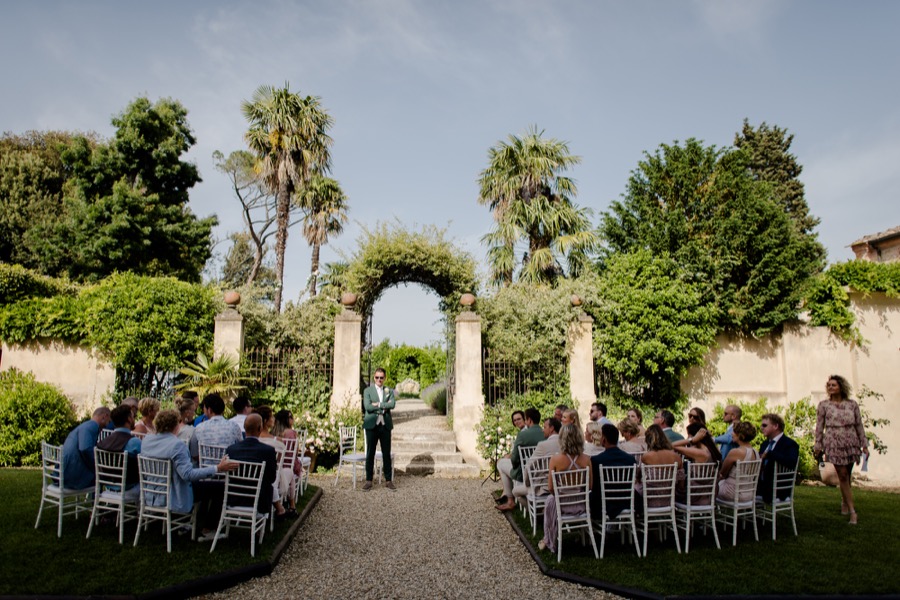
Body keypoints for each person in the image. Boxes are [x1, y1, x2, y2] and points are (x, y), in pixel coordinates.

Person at [141, 409, 236, 540]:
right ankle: (208, 528)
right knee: (220, 487)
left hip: (151, 493)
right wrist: (217, 468)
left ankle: (192, 522)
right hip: (173, 493)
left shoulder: (147, 440)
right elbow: (188, 475)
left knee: (206, 486)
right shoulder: (177, 445)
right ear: (176, 425)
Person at [814, 375, 869, 525]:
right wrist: (818, 445)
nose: (831, 387)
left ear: (841, 387)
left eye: (834, 385)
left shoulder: (852, 404)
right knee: (842, 475)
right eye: (829, 385)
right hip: (833, 441)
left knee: (848, 474)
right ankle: (852, 512)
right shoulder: (824, 405)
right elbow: (819, 427)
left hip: (851, 441)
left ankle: (845, 501)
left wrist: (864, 444)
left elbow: (859, 425)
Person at [539, 423, 592, 553]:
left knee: (550, 501)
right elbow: (590, 486)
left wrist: (561, 494)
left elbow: (551, 488)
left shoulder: (555, 460)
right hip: (581, 505)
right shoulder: (586, 460)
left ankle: (548, 538)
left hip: (561, 505)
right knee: (551, 500)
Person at [225, 413, 279, 518]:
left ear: (244, 428)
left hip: (234, 498)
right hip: (259, 501)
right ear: (260, 428)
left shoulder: (231, 449)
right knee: (269, 486)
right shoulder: (268, 451)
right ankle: (259, 530)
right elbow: (272, 478)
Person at [496, 407, 543, 512]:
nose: (517, 422)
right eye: (515, 420)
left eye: (522, 419)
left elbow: (515, 459)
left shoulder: (523, 434)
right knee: (503, 462)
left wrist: (513, 461)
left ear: (528, 420)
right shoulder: (544, 433)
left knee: (500, 464)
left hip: (524, 472)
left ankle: (510, 500)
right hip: (540, 471)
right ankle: (507, 495)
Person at [589, 423, 636, 519]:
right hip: (627, 501)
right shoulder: (630, 459)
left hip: (604, 502)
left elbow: (594, 485)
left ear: (604, 439)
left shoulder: (596, 460)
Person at [253, 406, 292, 518]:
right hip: (271, 475)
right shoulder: (278, 442)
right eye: (272, 416)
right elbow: (278, 462)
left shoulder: (253, 439)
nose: (274, 418)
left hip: (253, 473)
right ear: (265, 421)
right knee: (288, 472)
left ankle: (281, 507)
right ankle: (288, 506)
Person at [97, 404, 142, 497]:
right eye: (133, 417)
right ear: (129, 419)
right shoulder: (134, 442)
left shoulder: (103, 442)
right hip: (129, 488)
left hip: (108, 487)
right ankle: (147, 511)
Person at [362, 368, 396, 491]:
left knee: (386, 453)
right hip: (372, 425)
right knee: (370, 453)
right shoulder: (368, 391)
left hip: (385, 425)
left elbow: (392, 405)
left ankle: (388, 480)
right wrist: (382, 406)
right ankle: (369, 480)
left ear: (384, 378)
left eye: (381, 377)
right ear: (374, 378)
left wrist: (379, 404)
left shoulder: (389, 391)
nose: (379, 380)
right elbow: (368, 407)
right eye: (377, 377)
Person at [62, 407, 112, 490]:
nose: (107, 425)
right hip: (72, 476)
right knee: (108, 476)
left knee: (103, 474)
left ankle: (98, 500)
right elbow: (85, 449)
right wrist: (97, 466)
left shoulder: (85, 425)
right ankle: (100, 501)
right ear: (104, 416)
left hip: (64, 472)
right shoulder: (92, 426)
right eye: (108, 421)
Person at [637, 424, 684, 509]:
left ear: (648, 440)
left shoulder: (647, 456)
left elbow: (638, 477)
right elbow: (681, 484)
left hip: (649, 498)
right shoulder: (676, 457)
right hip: (669, 498)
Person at [757, 413, 800, 505]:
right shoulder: (765, 444)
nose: (761, 427)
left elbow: (792, 462)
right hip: (761, 485)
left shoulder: (789, 444)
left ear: (776, 426)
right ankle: (750, 517)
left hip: (778, 489)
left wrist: (770, 454)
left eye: (764, 425)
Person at [189, 394, 243, 464]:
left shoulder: (199, 428)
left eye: (204, 408)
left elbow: (194, 454)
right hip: (228, 470)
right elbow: (240, 447)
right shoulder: (234, 426)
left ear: (209, 410)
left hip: (206, 471)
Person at [717, 421, 759, 502]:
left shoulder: (736, 452)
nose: (731, 434)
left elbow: (722, 473)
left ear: (741, 436)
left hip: (733, 492)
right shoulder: (755, 452)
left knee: (710, 487)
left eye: (734, 432)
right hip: (749, 493)